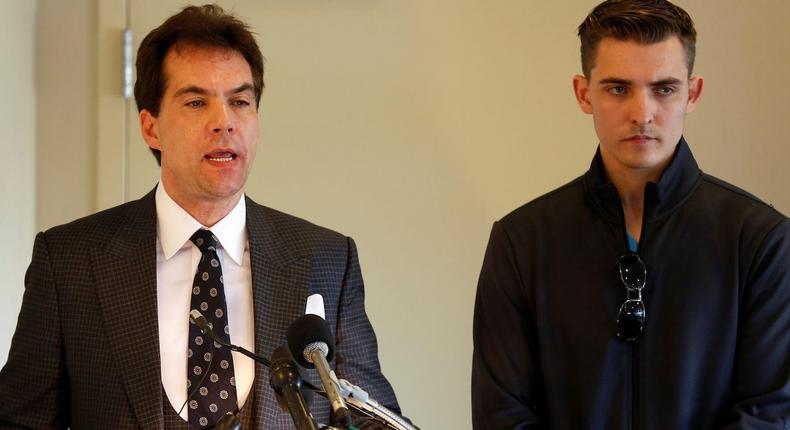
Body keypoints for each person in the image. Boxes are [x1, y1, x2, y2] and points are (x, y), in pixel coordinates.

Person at [0, 5, 400, 429]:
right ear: (151, 127)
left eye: (240, 101)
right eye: (195, 102)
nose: (223, 122)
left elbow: (375, 418)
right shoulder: (70, 261)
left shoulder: (326, 260)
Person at [471, 0, 790, 428]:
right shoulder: (522, 241)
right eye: (618, 88)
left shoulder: (761, 240)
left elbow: (769, 414)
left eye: (664, 88)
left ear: (691, 94)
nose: (642, 113)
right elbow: (501, 415)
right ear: (584, 93)